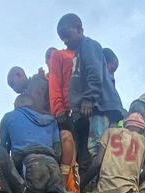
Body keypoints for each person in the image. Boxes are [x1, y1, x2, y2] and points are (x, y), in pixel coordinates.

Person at [57, 13, 124, 178]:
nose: (65, 41)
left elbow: (94, 73)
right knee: (102, 146)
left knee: (97, 146)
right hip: (99, 105)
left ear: (79, 29)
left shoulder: (89, 45)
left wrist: (88, 99)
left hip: (100, 106)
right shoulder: (79, 52)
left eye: (67, 35)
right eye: (62, 38)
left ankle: (101, 182)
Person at [45, 46, 79, 192]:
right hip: (56, 119)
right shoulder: (44, 80)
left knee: (70, 147)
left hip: (66, 115)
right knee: (67, 142)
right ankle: (65, 183)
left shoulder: (58, 74)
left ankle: (69, 184)